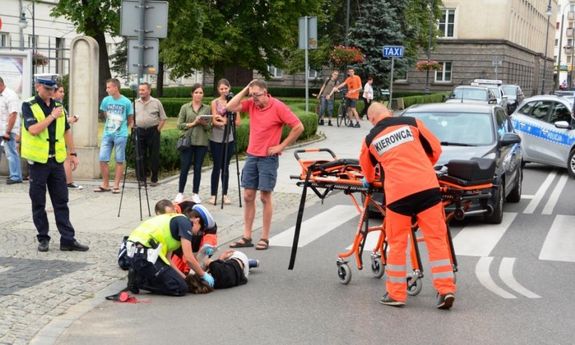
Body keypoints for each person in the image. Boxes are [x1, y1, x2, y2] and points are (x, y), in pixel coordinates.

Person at [358, 102, 456, 309]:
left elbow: (367, 171)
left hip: (398, 195)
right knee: (436, 240)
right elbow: (436, 149)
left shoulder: (370, 139)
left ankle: (396, 294)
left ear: (371, 120)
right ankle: (445, 289)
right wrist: (420, 166)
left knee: (397, 243)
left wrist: (370, 178)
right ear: (389, 112)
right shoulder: (412, 123)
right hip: (427, 188)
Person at [225, 79, 304, 250]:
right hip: (252, 155)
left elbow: (298, 127)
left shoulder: (278, 107)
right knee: (248, 195)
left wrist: (281, 146)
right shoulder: (252, 104)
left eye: (257, 95)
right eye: (252, 95)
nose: (254, 99)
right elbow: (229, 107)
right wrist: (246, 88)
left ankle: (265, 237)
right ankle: (247, 236)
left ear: (266, 92)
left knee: (264, 196)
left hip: (268, 157)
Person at [21, 74, 89, 252]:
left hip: (57, 161)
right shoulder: (29, 105)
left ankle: (68, 239)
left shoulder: (59, 106)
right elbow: (34, 130)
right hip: (38, 163)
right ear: (37, 87)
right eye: (47, 89)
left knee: (61, 201)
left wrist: (72, 153)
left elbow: (66, 131)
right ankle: (43, 238)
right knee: (38, 202)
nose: (51, 92)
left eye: (52, 89)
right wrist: (51, 116)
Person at [125, 202, 215, 296]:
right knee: (180, 288)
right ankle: (140, 281)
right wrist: (203, 274)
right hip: (142, 254)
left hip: (136, 252)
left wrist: (185, 279)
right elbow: (189, 258)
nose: (198, 234)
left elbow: (168, 261)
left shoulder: (175, 221)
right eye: (200, 230)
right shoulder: (185, 224)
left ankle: (140, 273)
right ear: (196, 221)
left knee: (181, 283)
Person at [95, 78, 134, 194]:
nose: (107, 90)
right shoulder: (106, 100)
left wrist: (123, 129)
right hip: (107, 133)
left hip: (120, 135)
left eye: (109, 87)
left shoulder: (126, 102)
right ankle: (105, 184)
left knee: (119, 160)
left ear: (115, 88)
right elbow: (105, 113)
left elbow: (130, 118)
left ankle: (116, 185)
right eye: (107, 87)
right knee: (102, 158)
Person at [175, 83, 211, 204]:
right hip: (187, 141)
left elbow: (209, 126)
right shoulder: (185, 107)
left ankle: (195, 193)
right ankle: (180, 192)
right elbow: (179, 125)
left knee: (197, 168)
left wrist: (204, 123)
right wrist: (193, 123)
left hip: (201, 142)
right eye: (196, 92)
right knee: (184, 167)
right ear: (192, 93)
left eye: (200, 92)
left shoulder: (207, 108)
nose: (198, 95)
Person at [209, 78, 241, 205]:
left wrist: (226, 121)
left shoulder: (234, 103)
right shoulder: (215, 102)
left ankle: (225, 194)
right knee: (216, 166)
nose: (224, 91)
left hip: (229, 138)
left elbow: (238, 122)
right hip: (216, 138)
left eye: (226, 88)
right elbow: (214, 120)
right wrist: (222, 121)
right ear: (218, 90)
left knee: (225, 167)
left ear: (229, 88)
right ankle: (213, 194)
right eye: (221, 89)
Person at [135, 82, 167, 187]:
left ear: (149, 91)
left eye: (143, 90)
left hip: (153, 131)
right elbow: (131, 117)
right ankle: (141, 179)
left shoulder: (156, 102)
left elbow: (163, 117)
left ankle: (154, 179)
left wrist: (157, 130)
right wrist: (133, 127)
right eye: (140, 90)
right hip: (139, 131)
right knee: (140, 156)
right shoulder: (135, 103)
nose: (141, 92)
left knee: (154, 156)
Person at [53, 83, 83, 190]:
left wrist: (70, 119)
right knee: (66, 159)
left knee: (66, 159)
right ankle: (68, 181)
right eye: (60, 91)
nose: (63, 94)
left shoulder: (59, 105)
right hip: (58, 138)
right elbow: (59, 121)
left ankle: (67, 181)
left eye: (63, 91)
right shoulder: (55, 106)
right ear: (53, 92)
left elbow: (63, 121)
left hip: (60, 137)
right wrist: (71, 119)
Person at [0, 76, 23, 184]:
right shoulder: (1, 96)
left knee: (11, 153)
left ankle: (16, 176)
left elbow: (13, 114)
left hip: (8, 130)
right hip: (1, 129)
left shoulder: (10, 95)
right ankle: (15, 175)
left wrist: (8, 132)